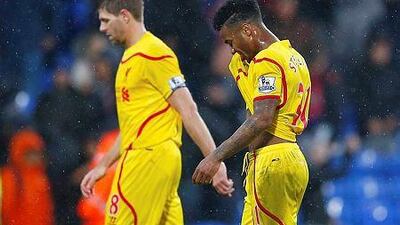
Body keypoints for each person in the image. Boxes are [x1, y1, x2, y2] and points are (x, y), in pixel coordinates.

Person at [80, 1, 234, 224]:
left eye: (105, 20)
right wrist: (104, 165)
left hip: (146, 159)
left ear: (124, 16)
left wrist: (215, 160)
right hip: (159, 158)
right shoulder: (129, 57)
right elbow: (133, 125)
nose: (102, 28)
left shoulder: (153, 53)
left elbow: (188, 109)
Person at [192, 1, 311, 225]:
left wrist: (215, 157)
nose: (232, 50)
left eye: (230, 42)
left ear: (247, 30)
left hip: (273, 161)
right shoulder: (292, 56)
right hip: (286, 157)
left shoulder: (267, 60)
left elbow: (262, 118)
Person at [1, 128, 54, 225]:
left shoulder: (41, 176)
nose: (35, 157)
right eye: (29, 153)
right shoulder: (8, 177)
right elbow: (5, 210)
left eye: (37, 153)